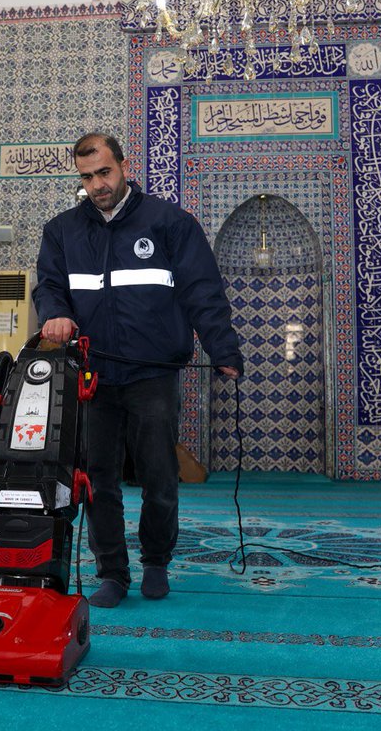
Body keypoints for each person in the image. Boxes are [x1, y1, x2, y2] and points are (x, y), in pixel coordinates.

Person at [33, 132, 242, 608]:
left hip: (153, 374)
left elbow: (202, 292)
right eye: (87, 177)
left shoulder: (169, 222)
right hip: (93, 377)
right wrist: (54, 314)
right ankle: (112, 571)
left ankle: (155, 562)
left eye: (104, 172)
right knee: (98, 478)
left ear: (124, 166)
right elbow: (48, 286)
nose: (97, 184)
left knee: (159, 474)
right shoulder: (62, 231)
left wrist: (223, 349)